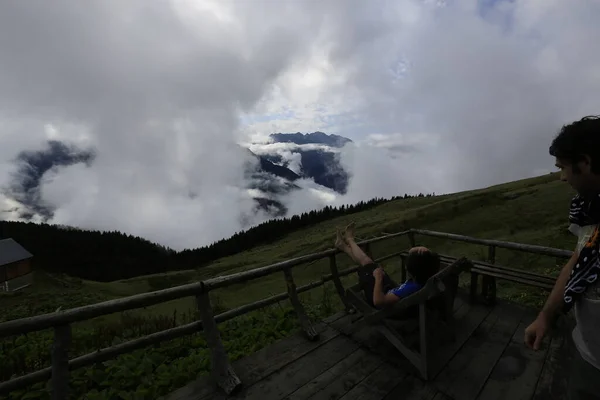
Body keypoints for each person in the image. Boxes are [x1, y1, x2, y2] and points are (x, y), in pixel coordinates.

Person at [524, 116, 600, 399]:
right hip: (589, 354)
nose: (562, 177)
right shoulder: (590, 210)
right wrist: (545, 316)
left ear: (585, 162)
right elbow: (577, 261)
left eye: (564, 168)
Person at [335, 222, 440, 308]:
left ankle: (349, 240)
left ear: (413, 274)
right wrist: (422, 251)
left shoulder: (411, 288)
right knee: (369, 264)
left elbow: (378, 302)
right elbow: (426, 258)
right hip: (389, 291)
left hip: (378, 298)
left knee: (367, 264)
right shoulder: (426, 276)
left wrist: (378, 279)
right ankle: (344, 245)